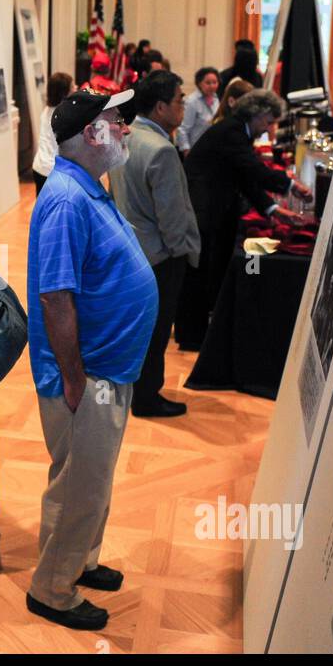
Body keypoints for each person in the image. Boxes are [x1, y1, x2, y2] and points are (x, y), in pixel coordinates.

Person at [26, 87, 157, 630]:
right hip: (86, 375)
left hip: (108, 367)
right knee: (84, 484)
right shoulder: (64, 199)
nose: (125, 128)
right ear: (90, 135)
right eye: (115, 120)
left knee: (84, 479)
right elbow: (56, 297)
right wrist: (75, 379)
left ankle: (78, 560)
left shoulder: (89, 186)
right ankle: (52, 589)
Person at [175, 89, 311, 350]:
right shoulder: (233, 132)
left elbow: (244, 178)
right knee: (199, 273)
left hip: (213, 207)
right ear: (257, 114)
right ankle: (192, 336)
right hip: (203, 209)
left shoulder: (238, 131)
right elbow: (252, 170)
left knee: (206, 272)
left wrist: (272, 209)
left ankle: (198, 333)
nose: (270, 128)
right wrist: (291, 186)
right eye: (269, 121)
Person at [108, 70, 201, 418]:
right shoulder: (161, 149)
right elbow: (173, 216)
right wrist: (182, 253)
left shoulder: (126, 137)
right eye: (179, 100)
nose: (183, 106)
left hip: (130, 249)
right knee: (158, 328)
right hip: (160, 257)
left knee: (138, 326)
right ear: (161, 106)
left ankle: (136, 390)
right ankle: (148, 397)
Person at [31, 72, 75, 194]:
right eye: (73, 86)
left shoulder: (46, 111)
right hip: (54, 170)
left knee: (43, 210)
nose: (76, 88)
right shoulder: (66, 116)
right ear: (64, 93)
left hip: (40, 167)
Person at [178, 66, 220, 155]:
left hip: (212, 150)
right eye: (208, 83)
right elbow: (183, 129)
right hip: (195, 151)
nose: (212, 86)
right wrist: (186, 151)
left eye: (215, 82)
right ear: (199, 83)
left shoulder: (216, 100)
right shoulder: (192, 101)